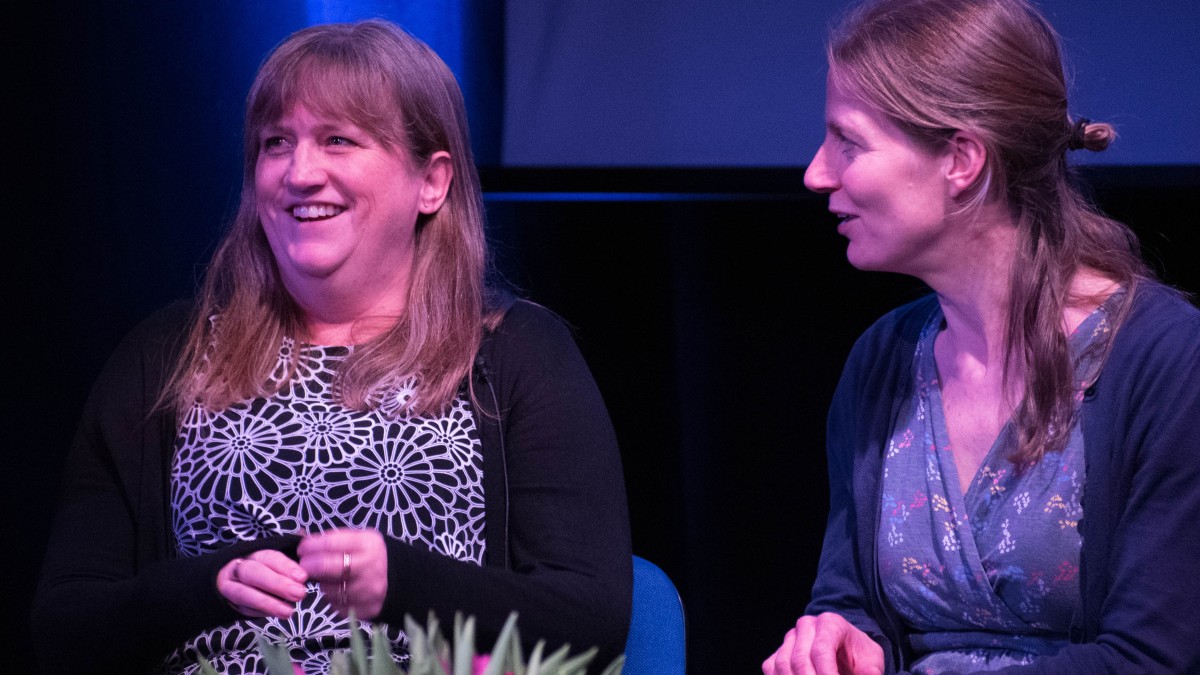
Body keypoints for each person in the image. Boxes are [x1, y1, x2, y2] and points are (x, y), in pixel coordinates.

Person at [32, 19, 631, 674]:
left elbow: (590, 618)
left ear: (431, 182)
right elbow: (63, 626)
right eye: (276, 143)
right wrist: (203, 588)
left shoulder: (512, 352)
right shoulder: (165, 356)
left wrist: (404, 584)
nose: (300, 172)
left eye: (338, 140)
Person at [763, 0, 1200, 673]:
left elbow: (1151, 659)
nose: (817, 173)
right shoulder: (883, 361)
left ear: (961, 160)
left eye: (847, 140)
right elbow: (849, 598)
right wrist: (838, 638)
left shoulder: (1167, 362)